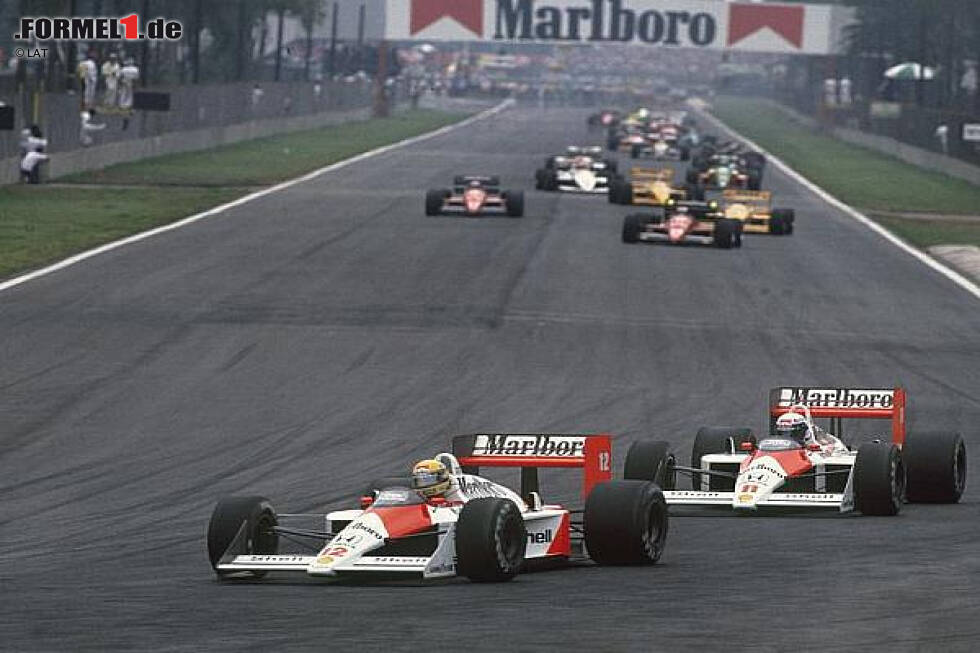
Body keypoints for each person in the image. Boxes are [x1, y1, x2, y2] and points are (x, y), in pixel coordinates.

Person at [774, 411, 847, 453]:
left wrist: (825, 449)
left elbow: (837, 447)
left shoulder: (815, 436)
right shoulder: (779, 444)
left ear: (801, 429)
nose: (787, 436)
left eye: (790, 432)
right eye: (782, 432)